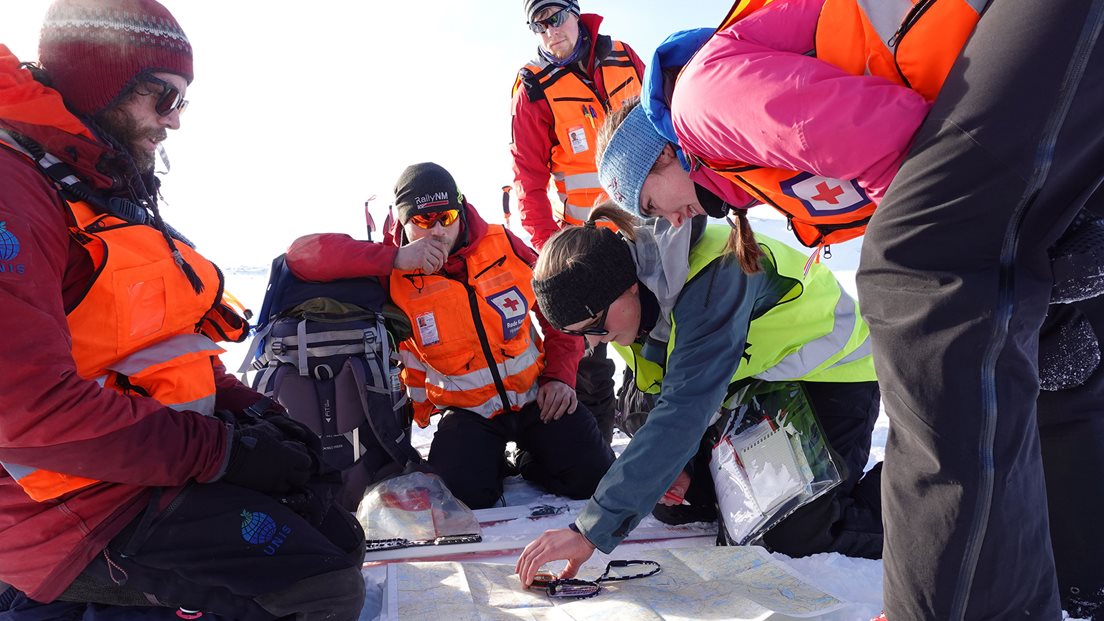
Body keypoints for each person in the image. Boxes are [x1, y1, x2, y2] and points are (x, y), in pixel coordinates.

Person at [596, 2, 1104, 617]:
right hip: (1018, 82)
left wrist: (993, 235)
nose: (669, 223)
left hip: (1002, 62)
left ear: (663, 157)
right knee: (1049, 354)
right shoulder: (738, 177)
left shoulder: (700, 104)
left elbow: (899, 136)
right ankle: (1079, 579)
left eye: (653, 204)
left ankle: (948, 596)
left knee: (915, 281)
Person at [0, 1, 367, 619]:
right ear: (99, 81)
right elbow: (22, 409)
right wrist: (223, 452)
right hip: (59, 511)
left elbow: (158, 348)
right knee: (318, 591)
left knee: (335, 531)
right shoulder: (17, 191)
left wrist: (253, 413)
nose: (174, 122)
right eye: (160, 97)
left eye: (181, 102)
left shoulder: (97, 186)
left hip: (129, 466)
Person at [515, 203, 883, 585]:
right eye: (578, 334)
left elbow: (683, 410)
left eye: (593, 326)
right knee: (677, 504)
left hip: (829, 379)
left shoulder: (714, 278)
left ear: (625, 286)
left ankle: (932, 492)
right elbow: (652, 394)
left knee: (786, 531)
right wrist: (682, 467)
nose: (593, 342)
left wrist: (589, 530)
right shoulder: (632, 301)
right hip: (753, 389)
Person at [286, 162, 614, 510]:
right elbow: (301, 256)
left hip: (537, 398)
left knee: (595, 478)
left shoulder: (502, 244)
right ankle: (492, 464)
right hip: (467, 413)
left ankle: (532, 461)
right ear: (403, 223)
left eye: (446, 217)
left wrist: (560, 376)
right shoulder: (390, 273)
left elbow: (558, 312)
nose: (438, 231)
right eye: (424, 222)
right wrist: (394, 258)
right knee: (463, 498)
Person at [510, 0, 645, 443]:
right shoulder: (533, 88)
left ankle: (655, 426)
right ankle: (595, 453)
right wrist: (553, 250)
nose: (549, 30)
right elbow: (527, 181)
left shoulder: (623, 56)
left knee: (659, 330)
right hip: (586, 243)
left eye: (556, 16)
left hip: (649, 225)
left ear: (575, 13)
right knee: (589, 353)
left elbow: (668, 123)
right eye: (537, 24)